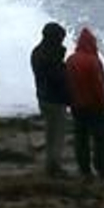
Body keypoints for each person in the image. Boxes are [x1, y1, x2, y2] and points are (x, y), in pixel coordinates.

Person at [65, 27, 104, 182]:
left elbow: (67, 84)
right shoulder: (93, 61)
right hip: (95, 107)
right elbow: (100, 85)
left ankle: (84, 169)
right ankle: (103, 170)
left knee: (81, 138)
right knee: (100, 140)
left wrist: (69, 102)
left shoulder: (71, 60)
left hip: (77, 106)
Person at [30, 21, 71, 176]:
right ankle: (54, 166)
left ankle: (50, 164)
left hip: (43, 97)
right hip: (55, 99)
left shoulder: (36, 52)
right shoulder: (50, 56)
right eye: (60, 38)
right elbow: (59, 78)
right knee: (57, 135)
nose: (62, 41)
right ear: (54, 38)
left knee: (50, 133)